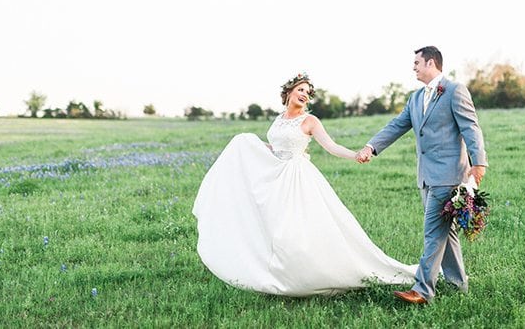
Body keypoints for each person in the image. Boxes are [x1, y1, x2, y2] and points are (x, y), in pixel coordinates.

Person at [192, 73, 417, 297]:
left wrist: (355, 155)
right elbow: (275, 146)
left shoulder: (310, 121)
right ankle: (275, 269)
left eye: (308, 93)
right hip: (275, 174)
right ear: (289, 91)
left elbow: (330, 146)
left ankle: (312, 272)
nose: (305, 95)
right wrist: (248, 144)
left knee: (295, 227)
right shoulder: (279, 119)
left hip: (296, 177)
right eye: (301, 90)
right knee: (272, 225)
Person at [357, 46, 488, 304]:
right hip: (426, 177)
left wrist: (479, 163)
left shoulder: (454, 91)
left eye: (417, 63)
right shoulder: (415, 98)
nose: (413, 67)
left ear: (431, 63)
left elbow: (471, 128)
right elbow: (396, 126)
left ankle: (423, 291)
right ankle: (458, 284)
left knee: (433, 232)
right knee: (445, 234)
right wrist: (371, 146)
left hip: (449, 175)